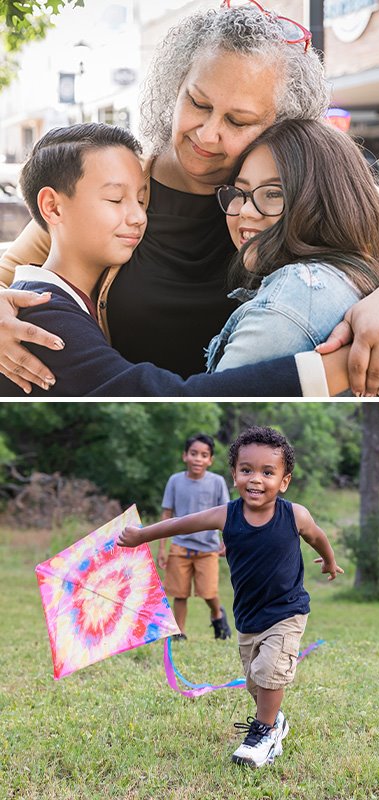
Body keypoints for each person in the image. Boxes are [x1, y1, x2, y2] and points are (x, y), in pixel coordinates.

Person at [0, 2, 379, 397]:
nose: (207, 134)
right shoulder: (112, 190)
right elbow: (20, 274)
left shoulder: (312, 191)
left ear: (279, 126)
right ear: (175, 89)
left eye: (238, 121)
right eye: (198, 104)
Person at [0, 124, 349, 396]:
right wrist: (339, 368)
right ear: (53, 207)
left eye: (141, 200)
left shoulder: (70, 301)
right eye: (115, 199)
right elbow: (155, 394)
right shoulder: (40, 316)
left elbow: (358, 204)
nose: (138, 217)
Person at [118, 425, 343, 769]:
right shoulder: (227, 514)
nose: (256, 479)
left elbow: (317, 536)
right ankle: (275, 720)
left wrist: (329, 561)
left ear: (284, 481)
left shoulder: (294, 515)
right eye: (246, 470)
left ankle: (264, 734)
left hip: (288, 610)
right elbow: (181, 524)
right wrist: (141, 536)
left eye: (268, 472)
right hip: (248, 616)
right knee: (256, 681)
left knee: (270, 671)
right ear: (234, 474)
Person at [206, 118, 379, 371]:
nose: (246, 211)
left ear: (325, 202)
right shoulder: (357, 271)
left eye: (274, 193)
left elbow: (213, 404)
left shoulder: (291, 301)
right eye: (240, 193)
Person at [159, 434, 231, 641]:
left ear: (210, 460)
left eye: (204, 455)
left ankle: (218, 615)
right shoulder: (175, 481)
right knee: (179, 593)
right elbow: (167, 514)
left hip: (208, 547)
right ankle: (179, 632)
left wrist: (226, 541)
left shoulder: (216, 482)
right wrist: (162, 548)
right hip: (180, 546)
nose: (198, 459)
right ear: (185, 456)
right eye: (194, 454)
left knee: (208, 592)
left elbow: (226, 513)